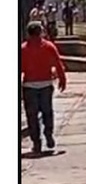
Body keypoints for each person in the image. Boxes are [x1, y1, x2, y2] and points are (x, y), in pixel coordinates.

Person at [21, 20, 67, 155]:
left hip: (29, 86)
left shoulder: (23, 49)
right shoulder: (48, 46)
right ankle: (48, 134)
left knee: (32, 115)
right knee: (47, 112)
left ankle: (36, 142)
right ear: (41, 32)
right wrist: (62, 79)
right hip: (46, 84)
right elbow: (58, 64)